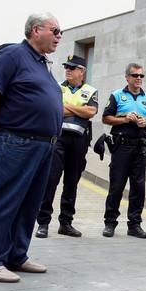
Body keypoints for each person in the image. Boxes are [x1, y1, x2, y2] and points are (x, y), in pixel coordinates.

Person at [0, 12, 63, 282]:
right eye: (56, 30)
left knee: (29, 203)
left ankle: (16, 255)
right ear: (36, 30)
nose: (59, 36)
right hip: (16, 142)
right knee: (3, 200)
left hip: (43, 146)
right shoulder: (12, 55)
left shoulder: (42, 64)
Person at [36, 55, 98, 238]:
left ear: (82, 71)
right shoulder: (57, 87)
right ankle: (43, 223)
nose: (68, 70)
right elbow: (54, 110)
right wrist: (78, 110)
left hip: (79, 142)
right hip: (58, 139)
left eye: (72, 68)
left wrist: (68, 108)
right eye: (67, 67)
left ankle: (66, 223)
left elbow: (91, 112)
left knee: (72, 183)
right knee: (50, 181)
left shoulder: (90, 90)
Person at [101, 63, 146, 239]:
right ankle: (110, 223)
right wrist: (125, 119)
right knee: (116, 186)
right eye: (135, 75)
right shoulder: (117, 95)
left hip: (140, 147)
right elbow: (106, 118)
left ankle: (134, 224)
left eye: (141, 76)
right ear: (127, 77)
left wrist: (144, 123)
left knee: (138, 187)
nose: (139, 78)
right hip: (121, 146)